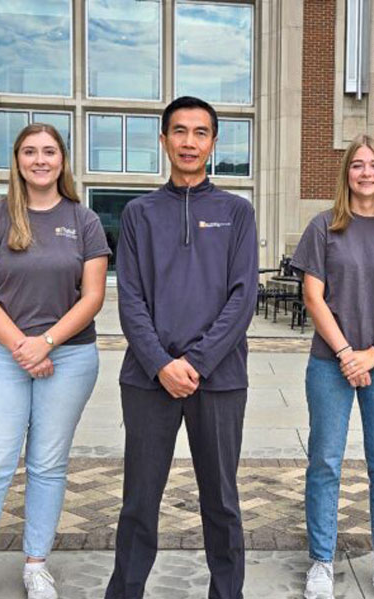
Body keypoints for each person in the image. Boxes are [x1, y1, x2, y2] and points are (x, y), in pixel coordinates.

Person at [0, 123, 110, 599]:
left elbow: (92, 296)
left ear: (62, 160)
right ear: (16, 160)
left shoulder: (84, 220)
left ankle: (36, 564)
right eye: (29, 151)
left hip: (69, 358)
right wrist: (23, 347)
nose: (39, 160)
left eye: (49, 151)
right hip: (1, 356)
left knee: (48, 464)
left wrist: (46, 343)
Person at [104, 96, 258, 599]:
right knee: (139, 502)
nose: (189, 141)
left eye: (200, 132)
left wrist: (194, 361)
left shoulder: (237, 212)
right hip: (149, 380)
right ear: (164, 139)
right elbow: (129, 298)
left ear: (214, 143)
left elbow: (243, 297)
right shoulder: (138, 213)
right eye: (179, 131)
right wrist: (161, 363)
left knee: (221, 501)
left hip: (220, 380)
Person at [292, 134, 374, 599]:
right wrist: (348, 353)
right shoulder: (324, 226)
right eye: (357, 165)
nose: (366, 173)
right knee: (325, 462)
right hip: (331, 364)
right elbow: (313, 295)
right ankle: (321, 562)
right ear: (345, 173)